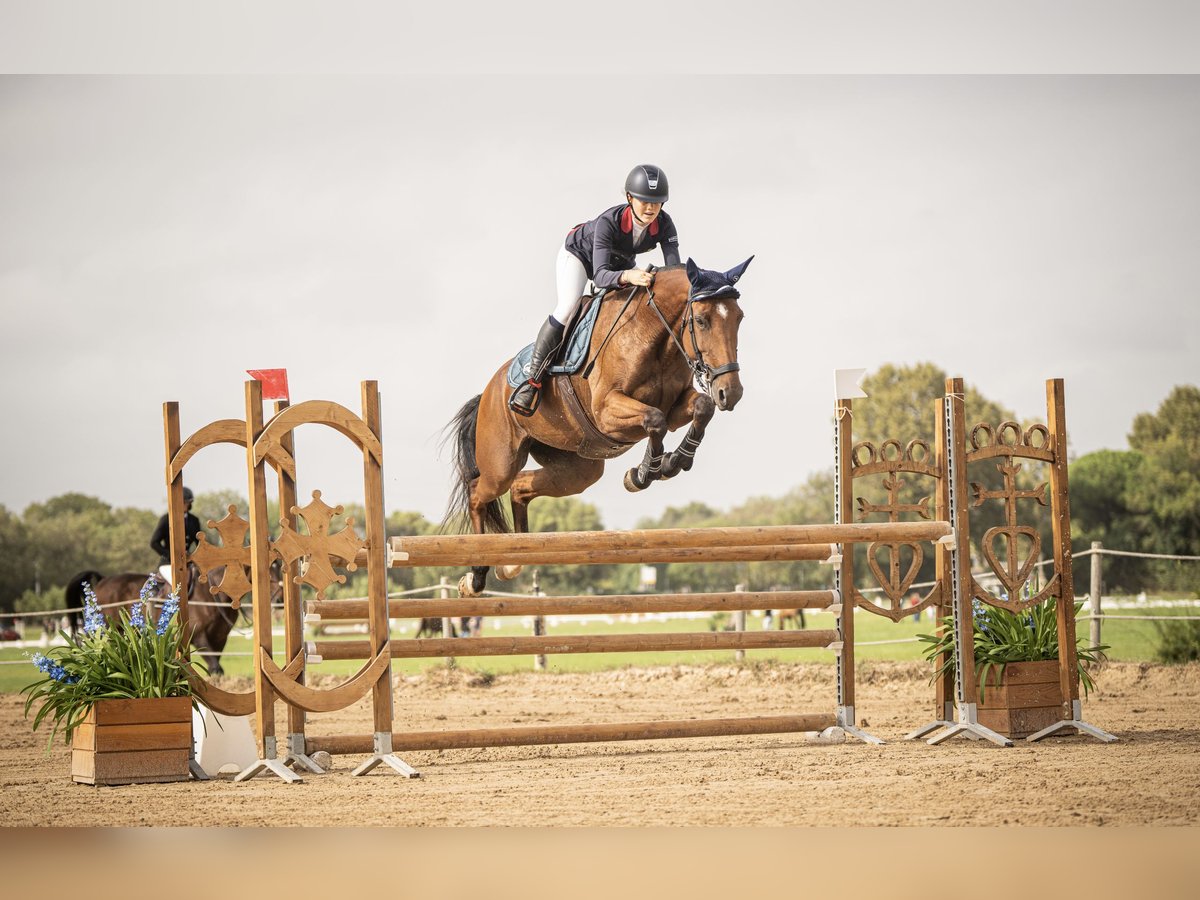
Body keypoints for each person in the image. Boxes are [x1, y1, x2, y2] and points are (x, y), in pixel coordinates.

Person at [508, 164, 681, 417]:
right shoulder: (608, 222)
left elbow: (674, 271)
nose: (650, 208)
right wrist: (629, 275)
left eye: (656, 202)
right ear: (630, 198)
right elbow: (600, 276)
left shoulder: (665, 225)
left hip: (619, 263)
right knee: (568, 307)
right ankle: (532, 380)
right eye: (644, 201)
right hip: (579, 257)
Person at [149, 487, 203, 587]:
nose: (186, 505)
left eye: (187, 502)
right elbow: (154, 543)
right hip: (168, 563)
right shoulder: (166, 519)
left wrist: (196, 557)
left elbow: (200, 543)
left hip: (187, 562)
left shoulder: (194, 520)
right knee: (174, 585)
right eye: (183, 502)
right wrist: (170, 555)